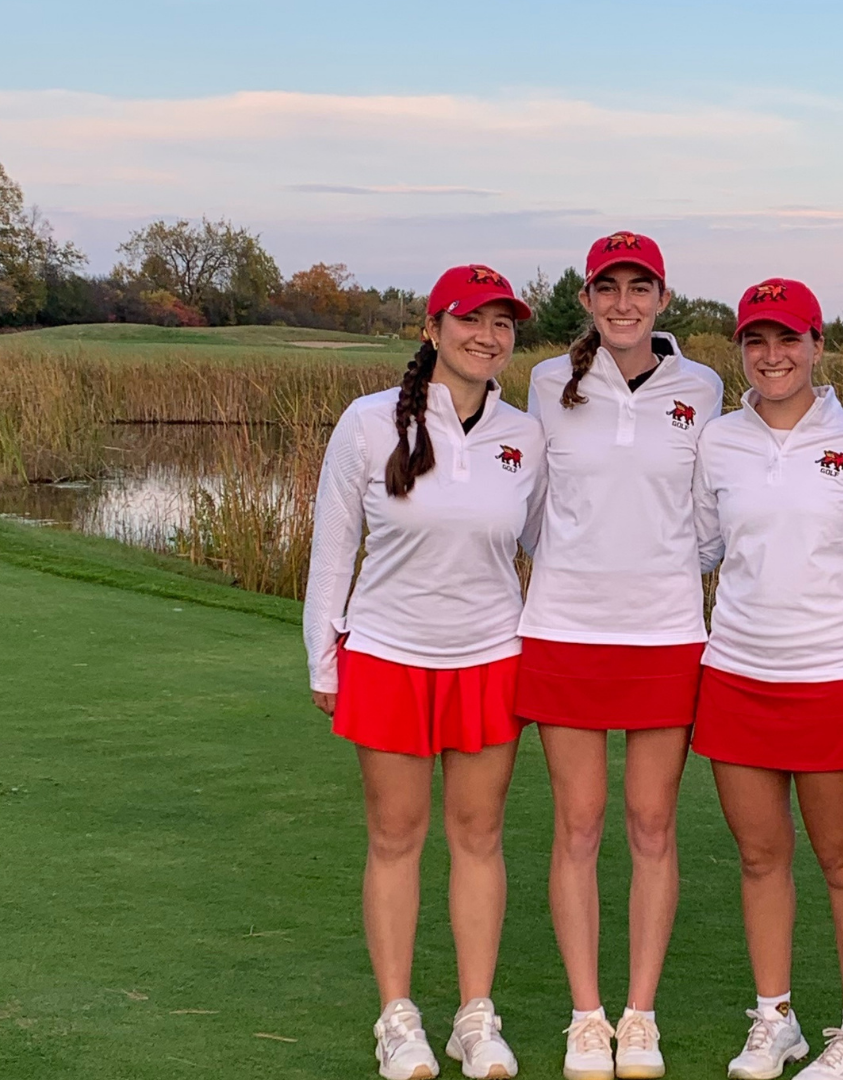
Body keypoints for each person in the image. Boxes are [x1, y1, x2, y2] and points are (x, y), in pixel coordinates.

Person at [303, 264, 544, 1080]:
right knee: (395, 839)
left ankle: (476, 1017)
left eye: (503, 324)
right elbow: (333, 547)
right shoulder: (368, 424)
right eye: (472, 320)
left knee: (479, 838)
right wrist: (321, 655)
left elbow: (548, 548)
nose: (488, 337)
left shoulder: (526, 435)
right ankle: (397, 1017)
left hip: (489, 657)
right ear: (432, 329)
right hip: (388, 656)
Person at [514, 231, 723, 1080]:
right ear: (589, 298)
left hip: (668, 634)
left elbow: (709, 519)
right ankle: (586, 1016)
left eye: (641, 288)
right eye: (609, 288)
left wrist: (660, 567)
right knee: (578, 823)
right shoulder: (544, 384)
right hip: (565, 629)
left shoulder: (703, 386)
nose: (624, 304)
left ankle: (640, 1016)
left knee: (649, 824)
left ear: (663, 298)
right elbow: (529, 506)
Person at [691, 278, 843, 1080]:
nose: (771, 356)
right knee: (759, 856)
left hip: (836, 672)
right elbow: (704, 550)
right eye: (755, 341)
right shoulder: (718, 441)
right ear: (741, 349)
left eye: (788, 340)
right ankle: (774, 1018)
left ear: (818, 346)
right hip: (737, 670)